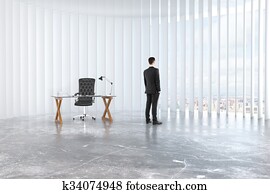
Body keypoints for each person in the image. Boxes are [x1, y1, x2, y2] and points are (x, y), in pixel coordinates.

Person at [143, 57, 162, 125]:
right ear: (154, 62)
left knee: (148, 104)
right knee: (154, 105)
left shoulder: (145, 71)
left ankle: (147, 120)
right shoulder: (156, 70)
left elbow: (145, 82)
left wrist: (147, 89)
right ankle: (154, 120)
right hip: (155, 91)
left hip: (148, 90)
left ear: (148, 62)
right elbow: (157, 81)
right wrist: (158, 89)